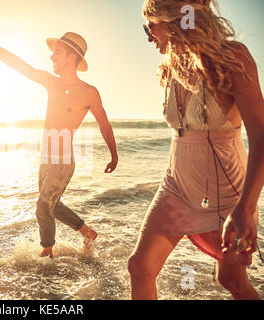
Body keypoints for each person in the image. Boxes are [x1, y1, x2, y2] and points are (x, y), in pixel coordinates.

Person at [128, 0, 263, 299]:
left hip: (228, 190)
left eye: (150, 27)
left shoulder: (232, 58)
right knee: (140, 267)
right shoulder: (171, 66)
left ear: (173, 18)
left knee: (231, 279)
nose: (149, 37)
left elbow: (261, 134)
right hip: (176, 183)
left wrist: (246, 206)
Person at [0, 27, 118, 258]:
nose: (51, 56)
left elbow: (104, 125)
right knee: (52, 206)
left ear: (72, 57)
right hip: (46, 158)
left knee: (43, 206)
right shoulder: (51, 82)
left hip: (63, 160)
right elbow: (16, 63)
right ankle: (87, 232)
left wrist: (114, 155)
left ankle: (47, 253)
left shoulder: (89, 92)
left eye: (57, 52)